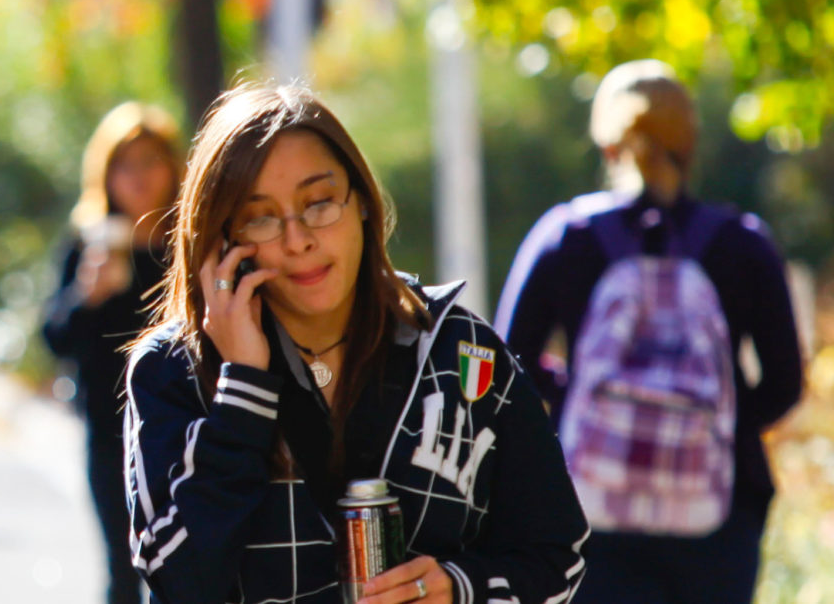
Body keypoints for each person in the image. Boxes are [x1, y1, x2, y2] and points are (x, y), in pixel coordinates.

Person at [125, 84, 588, 604]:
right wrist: (243, 392)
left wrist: (459, 590)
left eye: (319, 203)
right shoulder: (173, 369)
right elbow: (177, 583)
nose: (298, 239)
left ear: (362, 202)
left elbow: (557, 557)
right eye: (261, 217)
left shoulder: (463, 353)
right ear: (224, 240)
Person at [495, 61, 805, 604]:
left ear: (607, 146)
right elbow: (785, 382)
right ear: (689, 148)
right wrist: (716, 419)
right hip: (718, 518)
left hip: (593, 510)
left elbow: (506, 363)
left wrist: (578, 395)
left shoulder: (566, 237)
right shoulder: (743, 243)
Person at [42, 102, 182, 604]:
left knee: (180, 571)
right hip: (109, 430)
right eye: (125, 165)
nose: (139, 177)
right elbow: (53, 337)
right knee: (122, 569)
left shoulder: (187, 245)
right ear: (105, 174)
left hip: (182, 430)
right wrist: (87, 295)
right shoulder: (89, 242)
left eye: (150, 161)